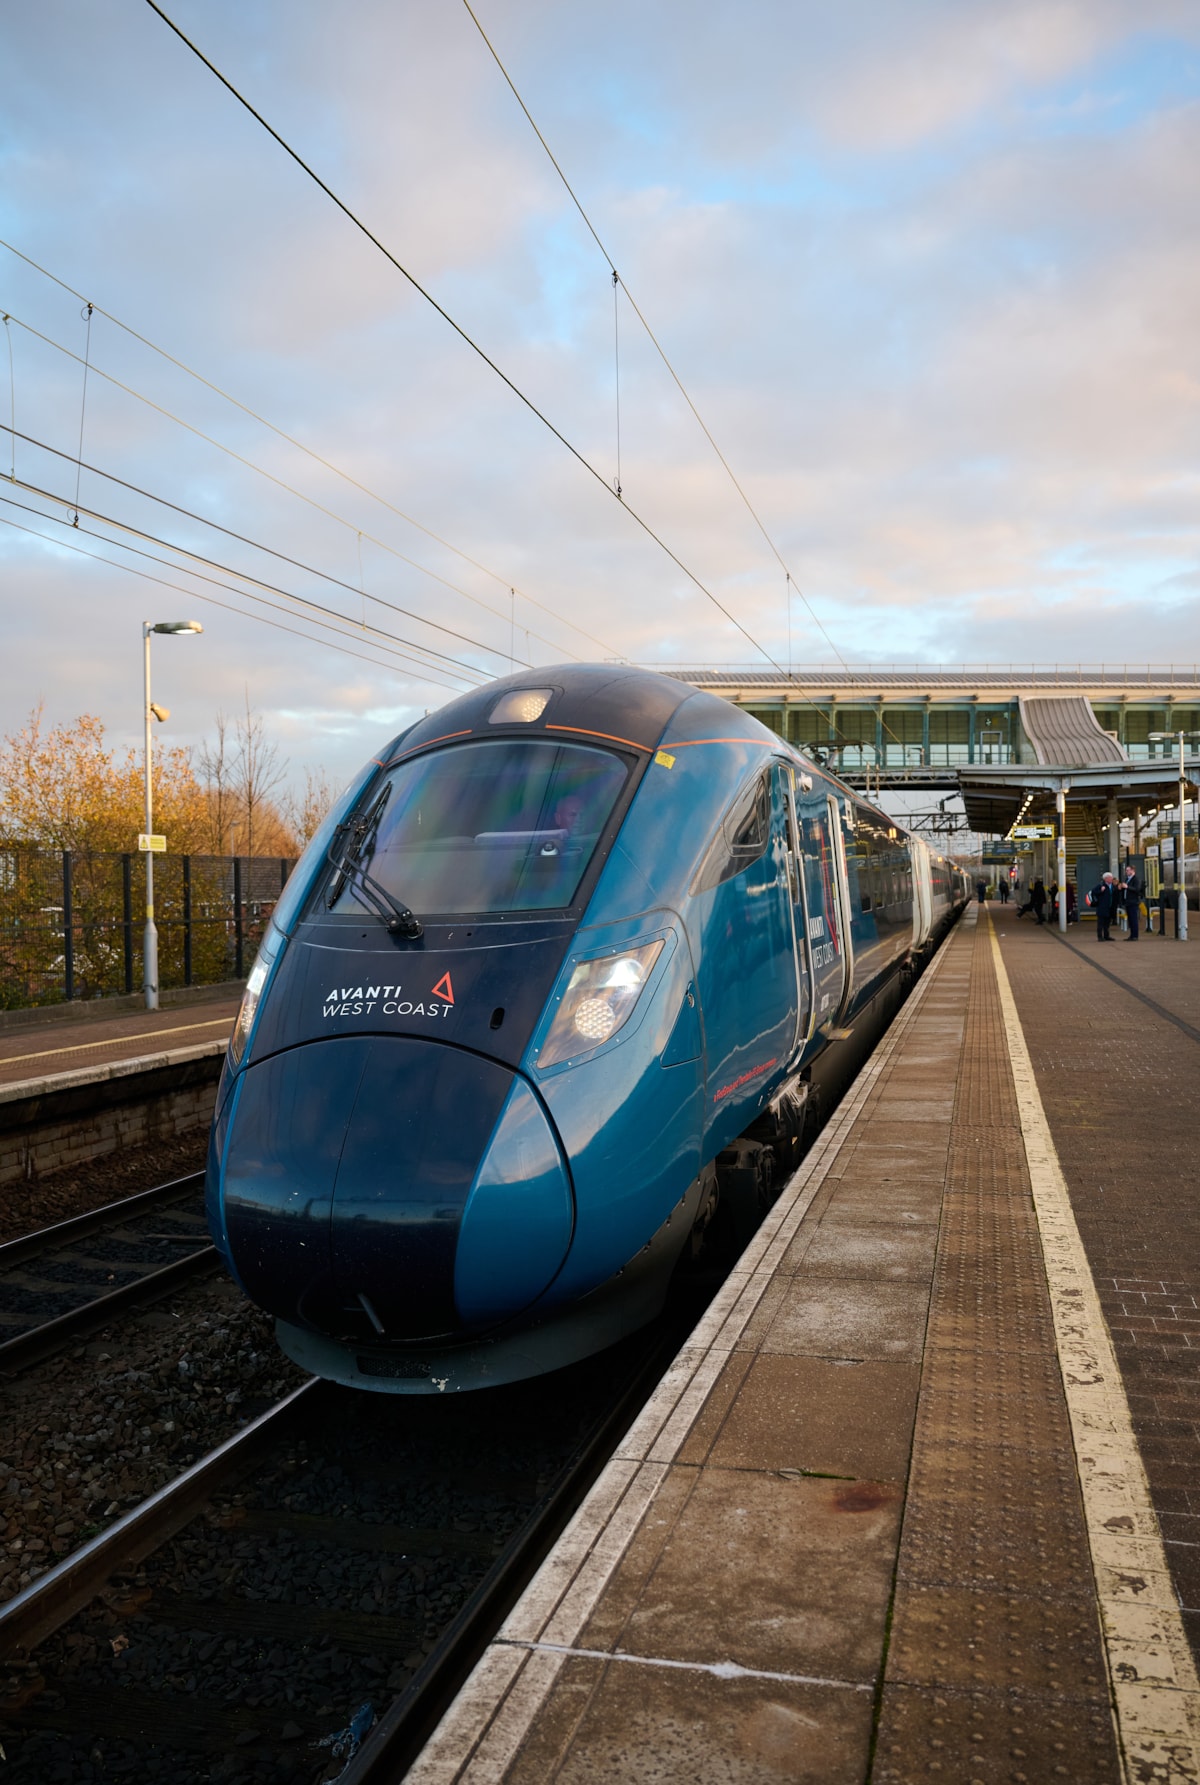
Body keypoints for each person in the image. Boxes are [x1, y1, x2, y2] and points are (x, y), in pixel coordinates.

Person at [1088, 871, 1118, 941]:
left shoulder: (1113, 886)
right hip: (1102, 907)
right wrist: (1100, 891)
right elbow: (1093, 892)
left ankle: (1106, 936)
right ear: (1105, 879)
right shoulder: (1101, 885)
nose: (1111, 879)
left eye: (1112, 877)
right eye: (1110, 878)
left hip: (1110, 907)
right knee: (1100, 923)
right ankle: (1100, 936)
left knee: (1107, 923)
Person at [1122, 863, 1143, 941]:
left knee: (1134, 919)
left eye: (1128, 870)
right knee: (1130, 919)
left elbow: (1137, 889)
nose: (1126, 871)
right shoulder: (1127, 879)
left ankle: (1135, 935)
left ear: (1132, 870)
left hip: (1133, 902)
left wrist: (1127, 887)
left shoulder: (1136, 879)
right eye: (1126, 870)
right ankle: (1131, 935)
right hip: (1128, 901)